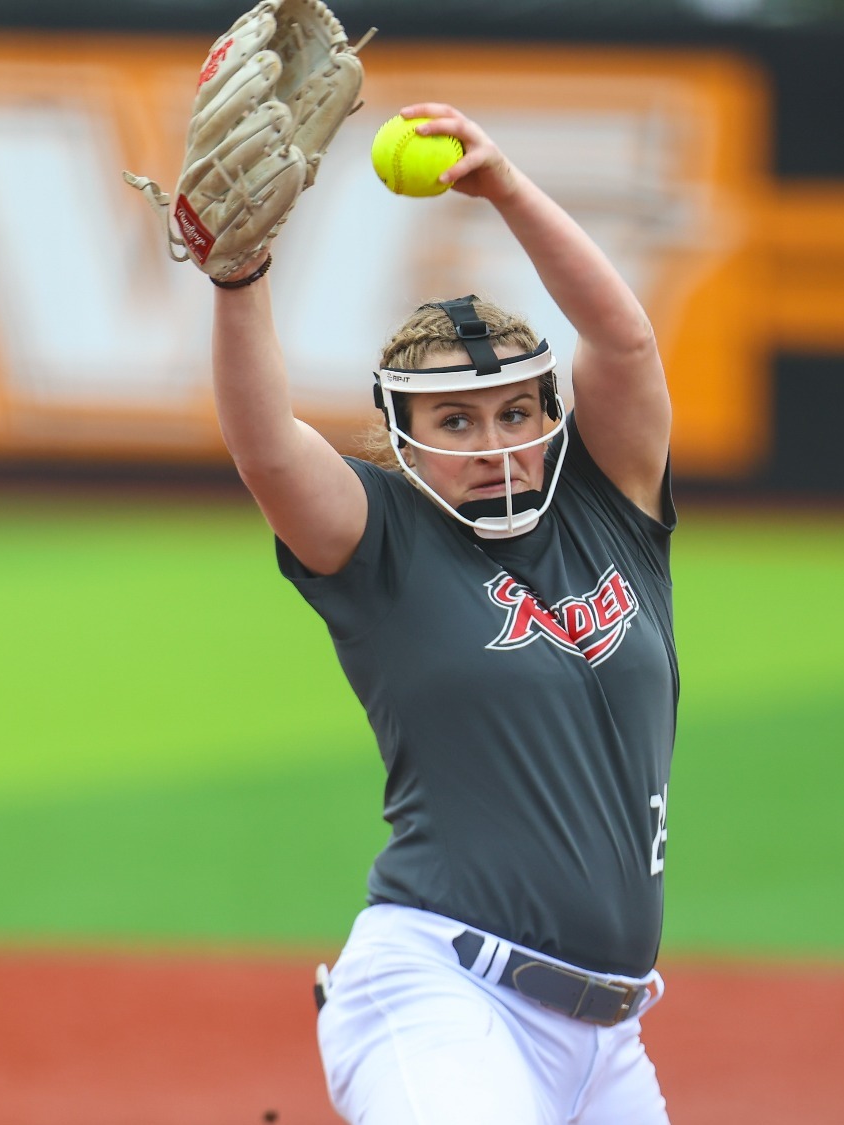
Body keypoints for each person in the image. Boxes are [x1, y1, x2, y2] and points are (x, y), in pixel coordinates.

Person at [209, 102, 677, 1125]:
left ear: (552, 417)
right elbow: (265, 449)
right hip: (441, 995)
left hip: (609, 1042)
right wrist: (238, 283)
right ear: (402, 440)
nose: (494, 442)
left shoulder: (615, 511)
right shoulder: (379, 540)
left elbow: (624, 339)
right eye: (454, 421)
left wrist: (504, 186)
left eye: (516, 411)